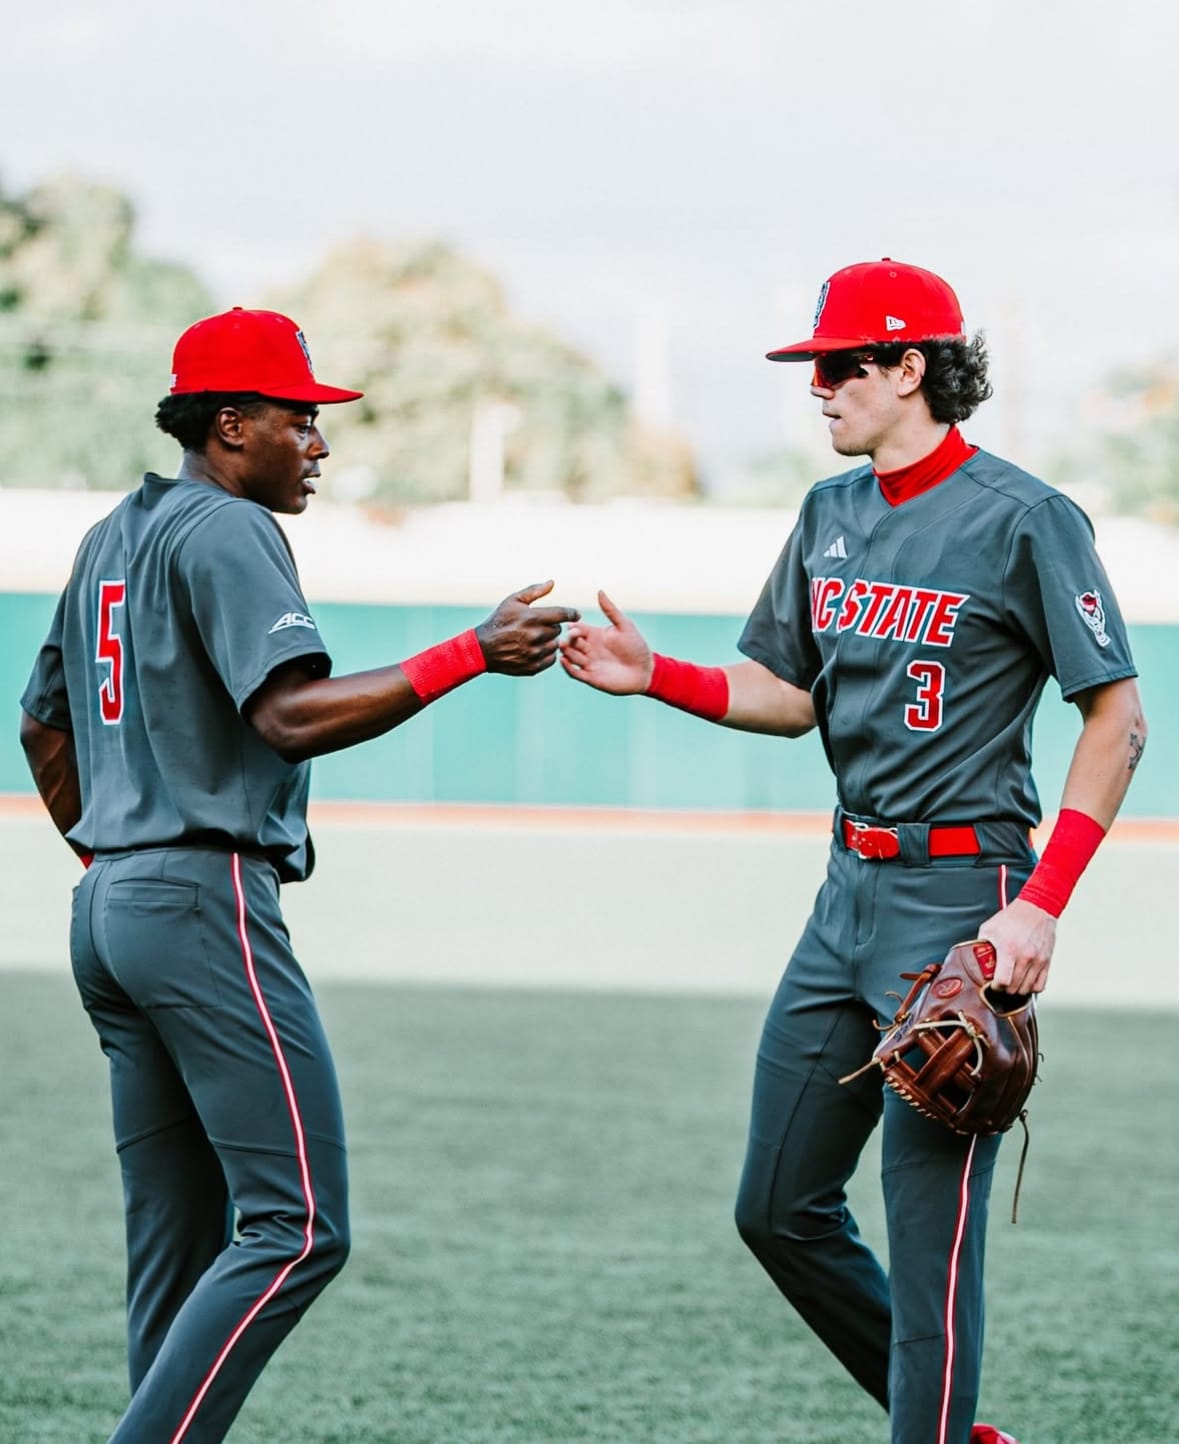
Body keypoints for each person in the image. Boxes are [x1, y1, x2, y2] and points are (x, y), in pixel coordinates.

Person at [560, 259, 1146, 1444]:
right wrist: (655, 674)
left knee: (930, 1252)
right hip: (847, 893)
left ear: (911, 367)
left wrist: (1039, 904)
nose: (818, 388)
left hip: (965, 900)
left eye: (839, 365)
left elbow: (1118, 718)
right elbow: (787, 694)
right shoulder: (829, 513)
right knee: (777, 1206)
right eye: (816, 368)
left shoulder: (1025, 517)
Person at [19, 305, 578, 1443]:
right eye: (300, 418)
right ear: (231, 424)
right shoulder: (228, 528)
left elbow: (41, 727)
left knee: (174, 1245)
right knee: (300, 1224)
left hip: (109, 906)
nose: (319, 442)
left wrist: (111, 853)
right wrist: (470, 652)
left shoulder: (111, 535)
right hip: (196, 902)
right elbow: (286, 714)